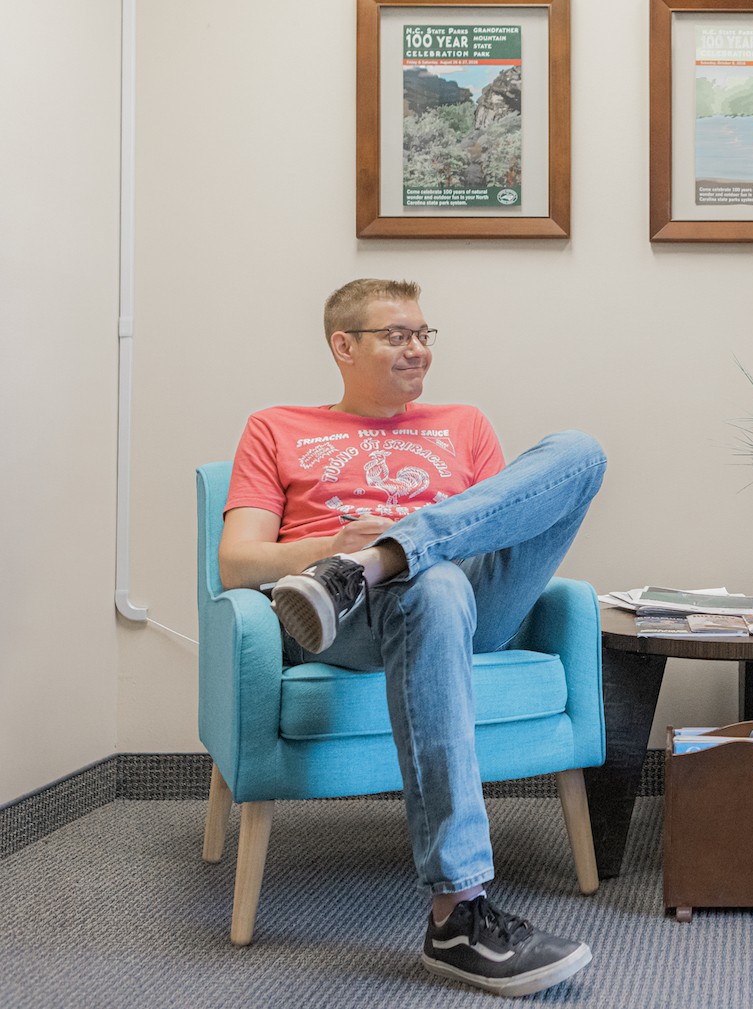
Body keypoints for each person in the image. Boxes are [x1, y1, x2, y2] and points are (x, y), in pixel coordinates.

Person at [217, 278, 607, 998]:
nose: (418, 348)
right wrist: (330, 543)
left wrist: (401, 546)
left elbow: (502, 525)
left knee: (579, 452)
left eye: (425, 333)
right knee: (435, 584)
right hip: (339, 619)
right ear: (344, 346)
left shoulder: (465, 423)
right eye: (398, 334)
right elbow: (236, 560)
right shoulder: (275, 426)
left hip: (465, 607)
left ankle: (387, 556)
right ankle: (459, 911)